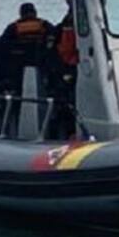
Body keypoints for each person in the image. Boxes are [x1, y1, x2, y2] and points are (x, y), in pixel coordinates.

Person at [0, 2, 52, 136]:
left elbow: (1, 47)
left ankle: (6, 130)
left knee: (10, 100)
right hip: (42, 69)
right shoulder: (45, 26)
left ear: (21, 13)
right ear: (35, 12)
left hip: (15, 72)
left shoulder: (13, 28)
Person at [43, 8, 79, 139]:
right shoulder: (59, 31)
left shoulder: (56, 30)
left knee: (64, 105)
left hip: (68, 72)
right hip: (65, 73)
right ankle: (60, 135)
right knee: (62, 106)